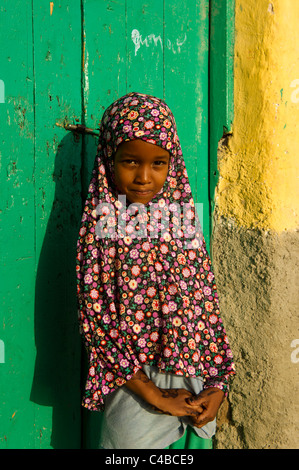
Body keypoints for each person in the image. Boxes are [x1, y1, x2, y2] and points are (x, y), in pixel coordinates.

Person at [76, 92, 235, 449]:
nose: (144, 177)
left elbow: (205, 305)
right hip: (134, 384)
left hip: (196, 387)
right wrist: (157, 396)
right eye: (130, 161)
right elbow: (96, 320)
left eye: (158, 164)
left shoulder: (181, 221)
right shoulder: (103, 226)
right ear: (107, 159)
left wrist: (218, 383)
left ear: (172, 163)